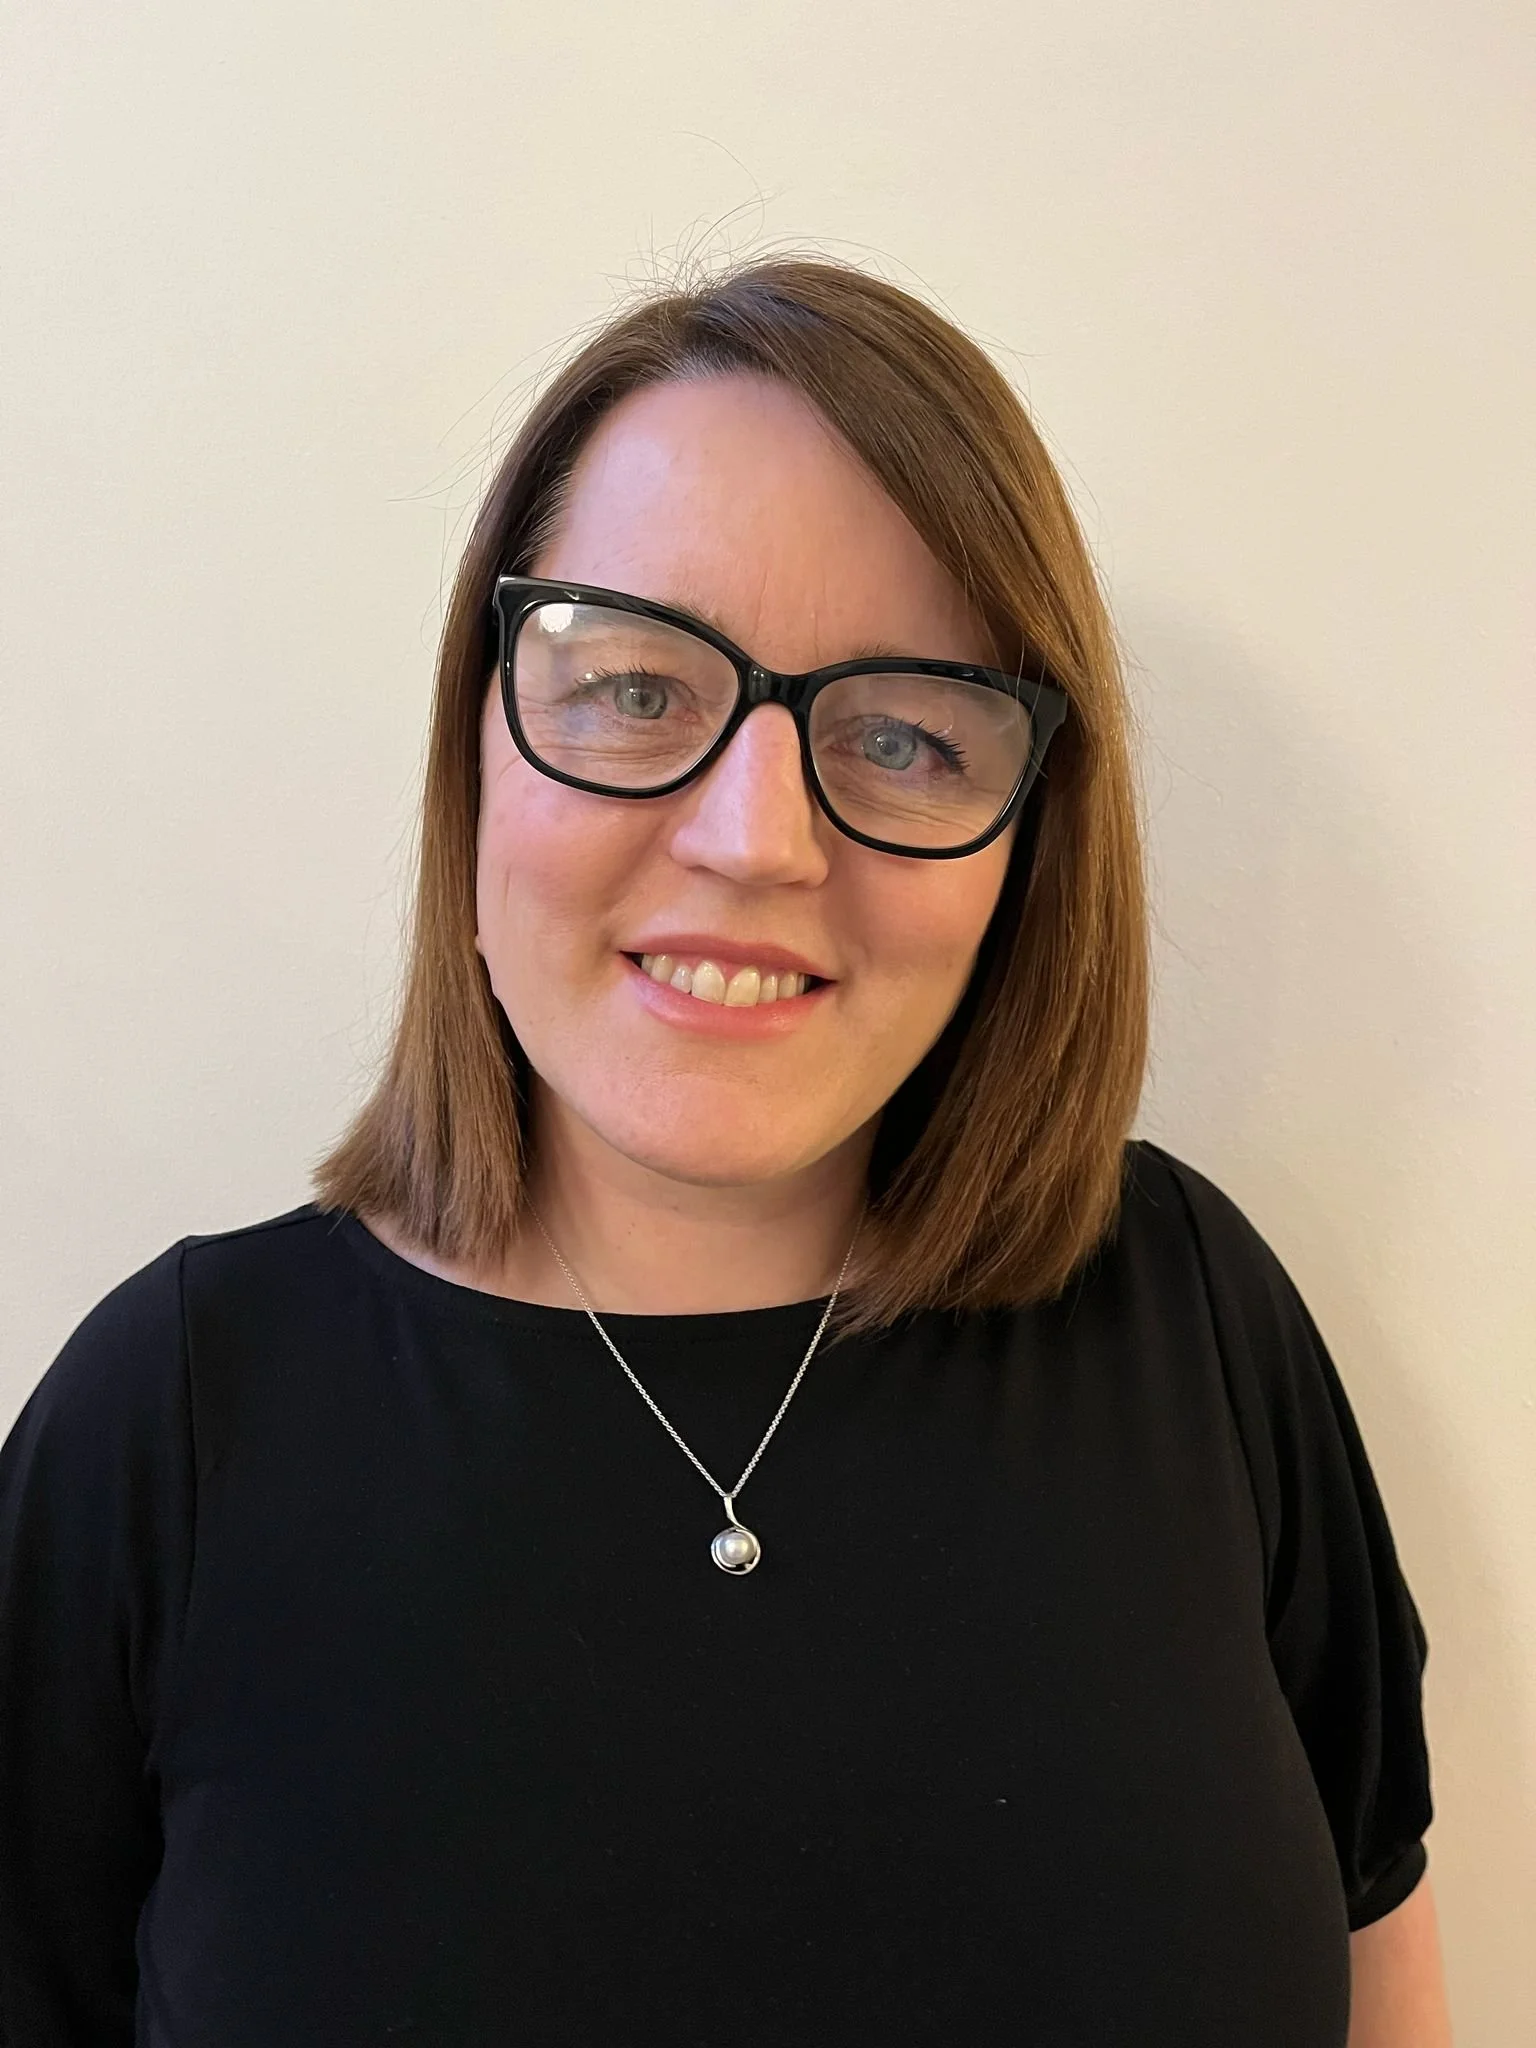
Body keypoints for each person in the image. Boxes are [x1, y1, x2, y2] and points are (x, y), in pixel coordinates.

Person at [0, 256, 1451, 2045]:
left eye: (907, 732)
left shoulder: (1193, 1324)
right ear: (477, 750)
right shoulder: (170, 1431)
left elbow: (1389, 1978)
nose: (756, 837)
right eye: (632, 690)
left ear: (1027, 852)